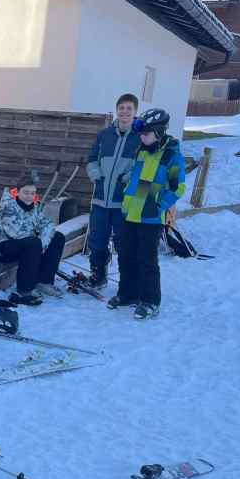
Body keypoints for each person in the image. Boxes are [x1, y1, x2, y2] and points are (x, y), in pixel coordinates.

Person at [108, 108, 186, 319]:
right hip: (130, 212)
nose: (142, 137)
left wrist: (159, 205)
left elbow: (178, 188)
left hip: (150, 217)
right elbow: (137, 179)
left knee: (146, 260)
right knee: (126, 256)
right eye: (140, 133)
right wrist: (126, 195)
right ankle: (128, 294)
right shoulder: (141, 150)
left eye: (146, 133)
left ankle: (150, 301)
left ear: (159, 132)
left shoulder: (172, 156)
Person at [85, 93, 141, 287]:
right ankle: (98, 274)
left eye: (129, 108)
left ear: (135, 112)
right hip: (100, 198)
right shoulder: (104, 135)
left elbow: (141, 165)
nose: (124, 112)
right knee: (97, 239)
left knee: (124, 242)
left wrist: (128, 179)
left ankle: (127, 283)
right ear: (117, 110)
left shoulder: (139, 137)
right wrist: (96, 175)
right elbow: (92, 158)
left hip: (123, 201)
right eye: (121, 108)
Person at [0, 171, 67, 306]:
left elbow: (48, 224)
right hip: (2, 247)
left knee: (58, 237)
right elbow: (16, 234)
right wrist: (40, 242)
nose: (29, 196)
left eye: (32, 193)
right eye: (26, 192)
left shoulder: (33, 208)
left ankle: (44, 281)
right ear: (17, 192)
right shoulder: (8, 206)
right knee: (33, 243)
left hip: (25, 244)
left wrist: (43, 243)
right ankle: (25, 289)